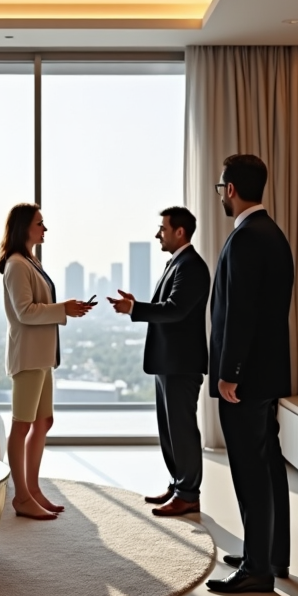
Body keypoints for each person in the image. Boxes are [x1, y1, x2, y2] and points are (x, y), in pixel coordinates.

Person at [205, 154, 295, 594]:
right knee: (269, 464)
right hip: (268, 373)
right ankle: (272, 554)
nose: (221, 195)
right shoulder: (274, 235)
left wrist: (229, 373)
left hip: (245, 378)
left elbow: (240, 315)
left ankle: (257, 568)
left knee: (250, 470)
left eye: (221, 188)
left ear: (232, 189)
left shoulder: (246, 239)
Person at [107, 206, 210, 517]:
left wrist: (134, 308)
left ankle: (188, 494)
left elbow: (175, 309)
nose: (158, 234)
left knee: (182, 430)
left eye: (162, 229)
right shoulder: (177, 264)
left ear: (180, 231)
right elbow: (170, 307)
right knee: (169, 429)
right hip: (169, 362)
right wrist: (136, 305)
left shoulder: (190, 265)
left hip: (181, 364)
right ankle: (178, 485)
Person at [0, 203, 95, 520]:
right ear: (24, 227)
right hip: (28, 356)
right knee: (22, 424)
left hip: (41, 356)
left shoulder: (30, 261)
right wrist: (63, 308)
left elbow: (38, 306)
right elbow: (25, 311)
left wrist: (68, 308)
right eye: (40, 223)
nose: (45, 228)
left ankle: (33, 489)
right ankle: (22, 497)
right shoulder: (15, 264)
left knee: (43, 422)